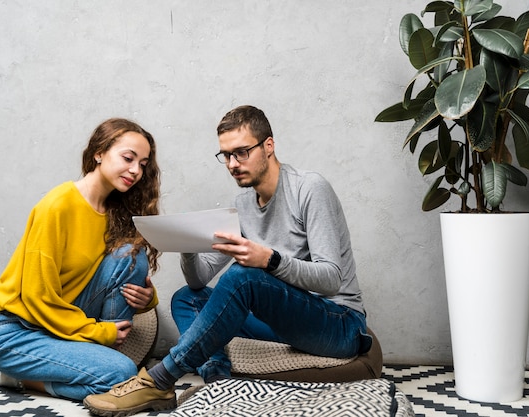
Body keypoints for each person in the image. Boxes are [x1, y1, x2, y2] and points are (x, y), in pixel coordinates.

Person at [83, 105, 375, 416]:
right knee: (187, 299)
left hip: (339, 325)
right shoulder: (243, 204)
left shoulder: (309, 188)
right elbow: (197, 282)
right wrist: (188, 244)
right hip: (285, 323)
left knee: (242, 276)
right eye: (226, 155)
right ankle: (218, 379)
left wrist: (270, 260)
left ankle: (160, 378)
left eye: (242, 152)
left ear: (268, 146)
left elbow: (331, 280)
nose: (233, 164)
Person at [0, 118, 162, 402]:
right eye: (128, 158)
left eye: (143, 164)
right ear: (99, 152)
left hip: (64, 318)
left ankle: (97, 361)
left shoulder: (114, 211)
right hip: (19, 333)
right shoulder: (57, 206)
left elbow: (117, 274)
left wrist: (148, 298)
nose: (136, 171)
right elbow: (37, 297)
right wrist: (100, 332)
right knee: (123, 374)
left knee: (131, 253)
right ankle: (26, 378)